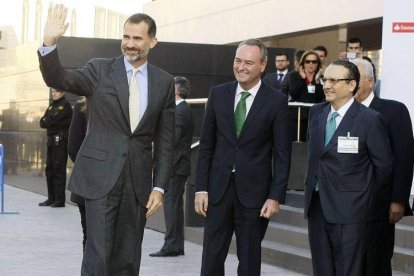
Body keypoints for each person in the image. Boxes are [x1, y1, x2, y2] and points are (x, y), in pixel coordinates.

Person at [38, 4, 175, 275]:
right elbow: (59, 77)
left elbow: (166, 140)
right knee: (98, 257)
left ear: (152, 41)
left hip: (137, 184)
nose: (130, 44)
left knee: (127, 260)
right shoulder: (99, 69)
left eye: (137, 38)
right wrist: (49, 44)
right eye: (126, 37)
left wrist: (159, 187)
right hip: (99, 178)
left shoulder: (164, 82)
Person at [195, 39, 291, 276]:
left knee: (249, 260)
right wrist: (201, 189)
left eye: (249, 62)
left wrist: (275, 196)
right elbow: (206, 146)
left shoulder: (276, 101)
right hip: (217, 192)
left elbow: (282, 154)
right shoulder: (218, 94)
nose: (241, 67)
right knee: (211, 258)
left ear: (263, 65)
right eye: (238, 61)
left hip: (255, 195)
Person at [305, 60, 393, 275]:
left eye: (334, 80)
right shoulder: (316, 113)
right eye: (325, 79)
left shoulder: (370, 120)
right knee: (322, 270)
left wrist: (364, 201)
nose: (327, 85)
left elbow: (384, 166)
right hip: (317, 207)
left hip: (353, 212)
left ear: (352, 84)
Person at [350, 58, 414, 276]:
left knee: (377, 262)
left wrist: (398, 200)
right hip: (344, 205)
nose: (351, 82)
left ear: (370, 81)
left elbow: (404, 158)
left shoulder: (394, 111)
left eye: (356, 77)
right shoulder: (338, 112)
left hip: (379, 204)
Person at [150, 76, 195, 257]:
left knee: (171, 207)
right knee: (175, 207)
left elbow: (172, 141)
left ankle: (171, 246)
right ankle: (176, 246)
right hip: (178, 166)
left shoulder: (180, 111)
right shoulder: (183, 109)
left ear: (176, 91)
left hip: (175, 167)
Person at [38, 88, 72, 208]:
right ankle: (51, 198)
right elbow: (42, 122)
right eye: (52, 91)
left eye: (56, 91)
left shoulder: (64, 106)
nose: (54, 93)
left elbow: (51, 120)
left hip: (60, 141)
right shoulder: (52, 106)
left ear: (62, 92)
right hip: (51, 141)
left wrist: (49, 121)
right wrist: (49, 121)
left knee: (58, 169)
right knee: (50, 169)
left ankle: (59, 200)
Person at [281, 50, 325, 141]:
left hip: (315, 118)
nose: (311, 64)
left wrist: (317, 82)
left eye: (314, 62)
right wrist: (302, 79)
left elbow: (322, 97)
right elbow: (294, 93)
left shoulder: (322, 77)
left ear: (318, 64)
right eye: (307, 61)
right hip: (297, 117)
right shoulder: (293, 76)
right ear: (303, 63)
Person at [68, 97, 88, 251]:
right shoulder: (81, 108)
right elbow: (74, 148)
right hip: (88, 183)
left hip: (118, 187)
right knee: (89, 236)